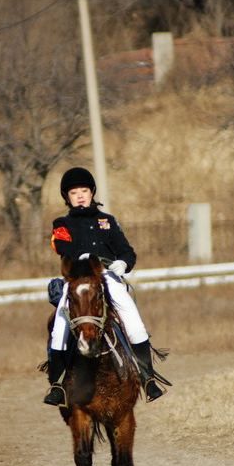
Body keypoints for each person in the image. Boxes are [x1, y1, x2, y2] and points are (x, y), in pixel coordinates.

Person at [43, 166, 166, 406]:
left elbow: (126, 250)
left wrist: (123, 263)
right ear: (67, 197)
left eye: (84, 190)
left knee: (134, 321)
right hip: (78, 278)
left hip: (107, 277)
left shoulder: (107, 221)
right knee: (59, 329)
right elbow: (62, 248)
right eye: (74, 192)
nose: (80, 195)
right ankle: (57, 385)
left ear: (92, 193)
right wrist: (84, 258)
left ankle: (147, 378)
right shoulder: (61, 224)